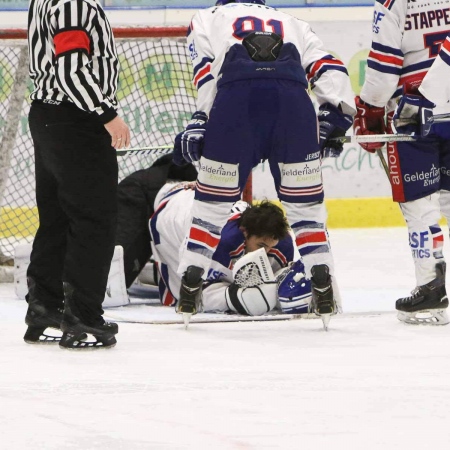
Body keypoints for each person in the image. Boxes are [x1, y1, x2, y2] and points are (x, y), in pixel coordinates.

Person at [173, 0, 355, 329]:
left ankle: (190, 285)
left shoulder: (207, 16)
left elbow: (207, 70)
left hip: (236, 103)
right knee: (307, 211)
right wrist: (335, 115)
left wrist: (202, 118)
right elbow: (330, 68)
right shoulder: (292, 20)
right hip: (293, 106)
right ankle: (323, 285)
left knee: (211, 207)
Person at [24, 0, 131, 349]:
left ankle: (45, 309)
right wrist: (106, 112)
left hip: (47, 116)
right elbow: (71, 70)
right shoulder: (75, 2)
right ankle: (83, 318)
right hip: (76, 121)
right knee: (94, 219)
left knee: (56, 218)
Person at [354, 1, 450, 325]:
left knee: (420, 207)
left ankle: (430, 290)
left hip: (415, 115)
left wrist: (371, 112)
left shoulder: (394, 4)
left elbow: (382, 68)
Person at [149, 186, 313, 323]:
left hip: (193, 207)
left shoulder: (282, 244)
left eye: (271, 246)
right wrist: (235, 298)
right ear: (244, 232)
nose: (266, 253)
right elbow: (200, 292)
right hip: (169, 216)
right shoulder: (219, 242)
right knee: (185, 291)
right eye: (261, 245)